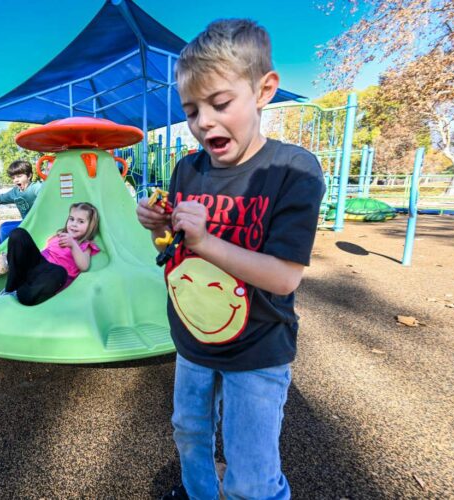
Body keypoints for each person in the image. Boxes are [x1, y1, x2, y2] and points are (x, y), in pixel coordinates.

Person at [136, 19, 326, 500]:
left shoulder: (291, 170)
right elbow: (176, 252)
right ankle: (198, 492)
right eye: (192, 110)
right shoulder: (187, 168)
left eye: (220, 104)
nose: (203, 122)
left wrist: (204, 242)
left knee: (250, 469)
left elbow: (283, 278)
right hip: (193, 341)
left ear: (264, 91)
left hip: (258, 348)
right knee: (190, 434)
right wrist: (162, 229)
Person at [1, 202, 100, 306]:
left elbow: (84, 266)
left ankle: (19, 296)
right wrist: (16, 256)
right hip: (37, 267)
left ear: (90, 226)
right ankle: (9, 290)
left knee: (60, 272)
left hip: (51, 276)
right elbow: (42, 253)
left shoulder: (84, 245)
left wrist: (73, 245)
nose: (74, 224)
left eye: (81, 221)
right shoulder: (59, 235)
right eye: (71, 219)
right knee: (18, 233)